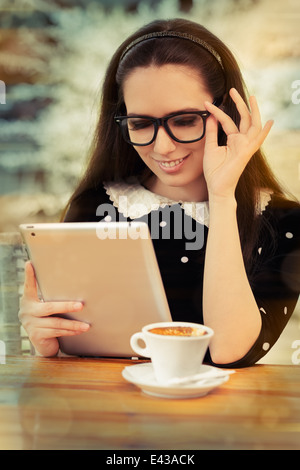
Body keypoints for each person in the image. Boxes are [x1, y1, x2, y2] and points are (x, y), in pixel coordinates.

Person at [19, 18, 300, 367]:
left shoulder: (283, 220)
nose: (162, 147)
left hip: (226, 418)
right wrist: (47, 341)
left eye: (184, 120)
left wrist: (223, 196)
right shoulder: (95, 206)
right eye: (140, 124)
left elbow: (229, 350)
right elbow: (79, 349)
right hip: (109, 414)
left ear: (226, 114)